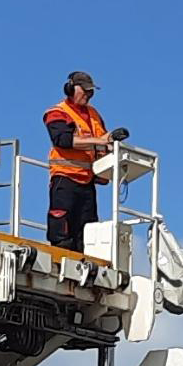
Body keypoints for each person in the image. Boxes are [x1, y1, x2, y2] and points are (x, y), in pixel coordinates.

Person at [41, 70, 115, 251]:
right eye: (86, 90)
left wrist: (111, 145)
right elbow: (63, 140)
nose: (89, 95)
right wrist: (100, 141)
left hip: (88, 182)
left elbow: (103, 141)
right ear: (70, 89)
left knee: (88, 233)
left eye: (91, 92)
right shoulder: (57, 112)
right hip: (65, 178)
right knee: (63, 233)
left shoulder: (94, 115)